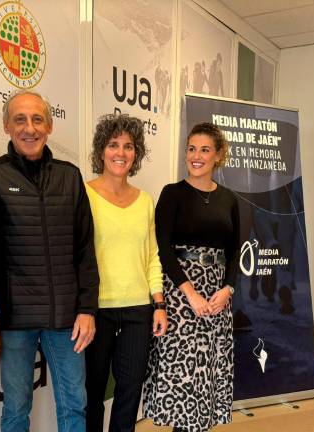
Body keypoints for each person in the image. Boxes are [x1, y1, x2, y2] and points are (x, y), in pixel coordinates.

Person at [0, 90, 99, 432]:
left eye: (37, 119)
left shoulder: (70, 177)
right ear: (6, 126)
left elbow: (84, 248)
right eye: (20, 119)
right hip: (13, 321)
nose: (29, 128)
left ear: (49, 126)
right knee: (16, 408)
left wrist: (87, 309)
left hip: (66, 319)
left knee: (74, 407)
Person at [143, 122, 242, 432]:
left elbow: (236, 252)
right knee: (184, 381)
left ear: (218, 156)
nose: (196, 156)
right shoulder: (172, 194)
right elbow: (163, 250)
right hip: (181, 295)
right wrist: (190, 294)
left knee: (208, 377)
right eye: (191, 149)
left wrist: (228, 289)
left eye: (204, 150)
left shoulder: (230, 199)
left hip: (217, 297)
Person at [84, 113, 168, 432]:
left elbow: (152, 257)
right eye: (113, 144)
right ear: (101, 151)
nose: (121, 152)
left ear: (136, 153)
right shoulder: (84, 194)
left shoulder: (145, 201)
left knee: (129, 393)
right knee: (91, 394)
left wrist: (158, 304)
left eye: (128, 146)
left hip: (137, 311)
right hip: (96, 310)